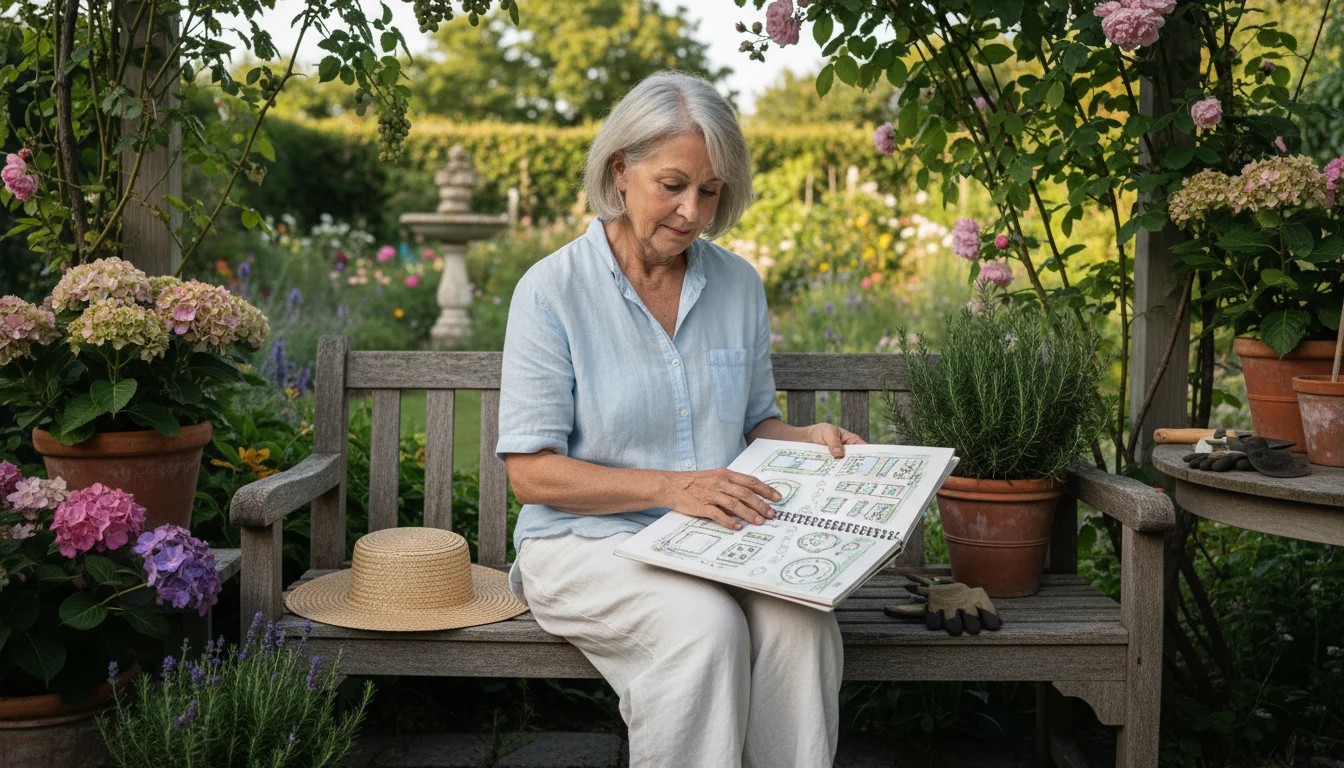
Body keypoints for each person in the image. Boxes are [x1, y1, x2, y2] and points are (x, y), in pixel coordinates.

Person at [496, 71, 866, 768]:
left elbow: (757, 424)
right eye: (674, 184)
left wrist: (806, 439)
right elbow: (531, 474)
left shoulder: (738, 285)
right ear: (621, 170)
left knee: (801, 622)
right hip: (584, 545)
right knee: (704, 629)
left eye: (710, 190)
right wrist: (673, 489)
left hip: (720, 541)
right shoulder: (552, 290)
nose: (693, 211)